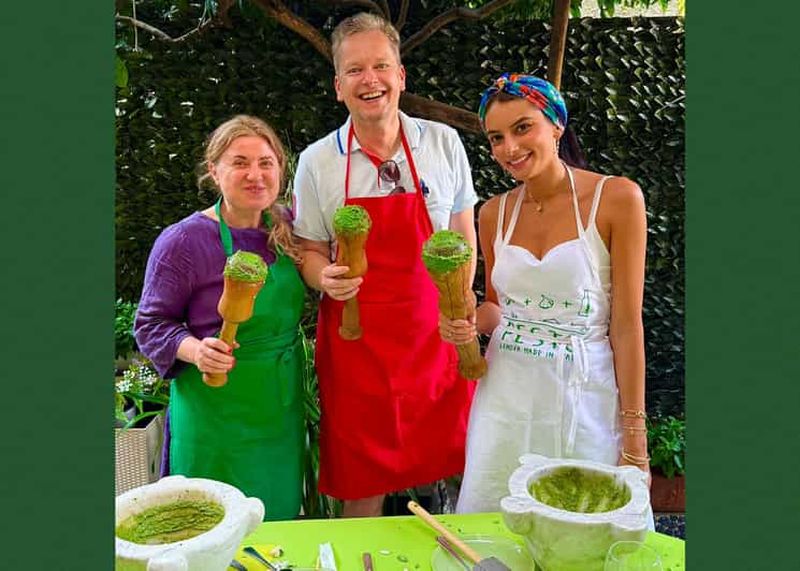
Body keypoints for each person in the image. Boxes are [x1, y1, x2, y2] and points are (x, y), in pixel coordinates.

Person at [292, 12, 478, 517]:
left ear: (400, 76)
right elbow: (308, 247)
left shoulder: (443, 143)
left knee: (463, 477)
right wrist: (321, 276)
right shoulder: (317, 161)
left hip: (435, 339)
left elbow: (463, 232)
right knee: (362, 485)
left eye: (380, 66)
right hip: (358, 349)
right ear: (338, 86)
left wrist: (463, 300)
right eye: (354, 70)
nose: (369, 79)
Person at [442, 74, 650, 514]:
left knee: (588, 529)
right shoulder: (492, 213)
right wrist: (468, 322)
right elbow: (499, 308)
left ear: (556, 124)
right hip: (505, 399)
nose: (509, 149)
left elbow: (627, 326)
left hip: (585, 397)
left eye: (522, 128)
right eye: (496, 137)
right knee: (494, 527)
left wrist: (635, 437)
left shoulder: (617, 198)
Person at [134, 115, 306, 520]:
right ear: (214, 171)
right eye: (240, 162)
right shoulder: (183, 242)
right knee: (207, 521)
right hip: (215, 408)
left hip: (278, 407)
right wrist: (195, 350)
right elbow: (150, 323)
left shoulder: (286, 228)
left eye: (266, 162)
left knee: (276, 521)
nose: (255, 174)